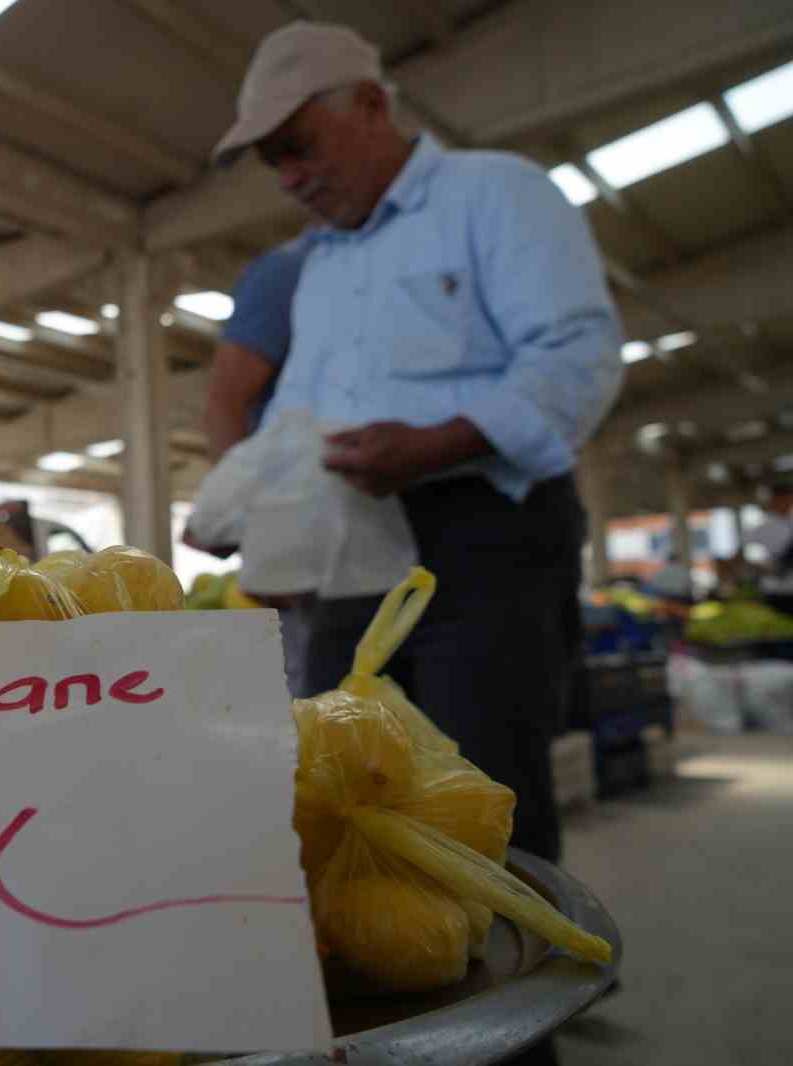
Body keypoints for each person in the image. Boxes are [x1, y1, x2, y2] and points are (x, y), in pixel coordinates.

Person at [211, 21, 624, 868]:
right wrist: (249, 506)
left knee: (479, 786)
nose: (290, 179)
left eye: (300, 148)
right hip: (359, 552)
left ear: (370, 104)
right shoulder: (319, 265)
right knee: (337, 775)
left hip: (485, 543)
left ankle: (526, 986)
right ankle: (400, 980)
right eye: (272, 163)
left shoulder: (495, 195)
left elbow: (576, 355)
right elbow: (298, 413)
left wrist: (439, 442)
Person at [197, 241, 312, 695]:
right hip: (304, 542)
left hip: (384, 539)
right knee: (319, 711)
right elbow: (226, 399)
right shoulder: (291, 271)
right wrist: (256, 534)